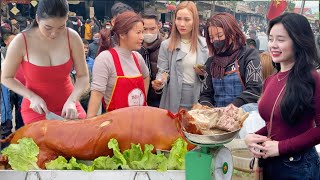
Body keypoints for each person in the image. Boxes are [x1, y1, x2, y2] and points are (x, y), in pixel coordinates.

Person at [245, 13, 320, 179]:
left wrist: (281, 147)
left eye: (281, 39)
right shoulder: (271, 79)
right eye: (271, 39)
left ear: (298, 41)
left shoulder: (312, 78)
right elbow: (275, 123)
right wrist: (252, 136)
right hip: (270, 163)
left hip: (298, 166)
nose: (273, 45)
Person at [1, 0, 89, 124]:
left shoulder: (73, 37)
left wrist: (73, 100)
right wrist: (31, 96)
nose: (54, 34)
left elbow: (83, 76)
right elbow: (6, 77)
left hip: (69, 106)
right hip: (37, 109)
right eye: (48, 27)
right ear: (37, 19)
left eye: (61, 27)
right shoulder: (21, 41)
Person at [87, 11, 150, 117]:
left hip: (139, 122)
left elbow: (146, 76)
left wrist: (142, 100)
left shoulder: (137, 58)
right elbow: (97, 94)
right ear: (122, 34)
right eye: (138, 32)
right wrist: (88, 125)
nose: (142, 37)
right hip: (115, 127)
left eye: (142, 32)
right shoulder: (105, 59)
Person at [152, 1, 208, 113]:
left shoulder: (204, 45)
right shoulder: (166, 45)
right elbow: (163, 71)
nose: (182, 24)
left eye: (187, 19)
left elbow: (209, 76)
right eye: (179, 19)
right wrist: (160, 81)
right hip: (172, 96)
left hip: (196, 97)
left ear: (194, 21)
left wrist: (202, 74)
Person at [198, 12, 262, 108]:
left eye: (219, 36)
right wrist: (206, 107)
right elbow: (206, 94)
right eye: (211, 37)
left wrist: (232, 107)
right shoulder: (211, 62)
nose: (215, 40)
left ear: (232, 33)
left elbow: (254, 91)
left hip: (244, 116)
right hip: (217, 116)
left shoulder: (249, 55)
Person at [138, 8, 163, 107]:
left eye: (152, 29)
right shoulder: (135, 49)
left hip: (160, 102)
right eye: (144, 29)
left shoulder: (166, 48)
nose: (148, 33)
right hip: (138, 100)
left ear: (159, 26)